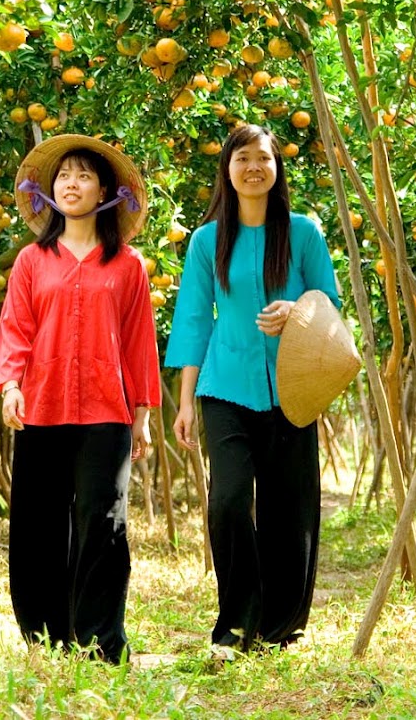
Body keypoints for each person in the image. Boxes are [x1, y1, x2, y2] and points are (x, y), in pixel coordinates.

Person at [166, 123, 341, 654]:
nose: (253, 168)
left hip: (295, 385)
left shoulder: (304, 232)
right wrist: (185, 402)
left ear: (277, 167)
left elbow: (329, 299)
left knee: (292, 510)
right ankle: (236, 622)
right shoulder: (206, 240)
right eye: (242, 159)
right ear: (227, 169)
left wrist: (297, 310)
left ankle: (281, 627)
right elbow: (194, 319)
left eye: (262, 158)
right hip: (226, 387)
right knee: (230, 500)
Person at [0, 134, 160, 664]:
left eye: (84, 175)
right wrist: (11, 385)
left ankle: (101, 642)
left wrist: (144, 415)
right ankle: (47, 635)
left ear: (105, 191)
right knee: (39, 521)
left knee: (103, 522)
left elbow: (137, 339)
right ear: (49, 191)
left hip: (108, 410)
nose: (71, 183)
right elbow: (16, 327)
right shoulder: (31, 261)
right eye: (63, 176)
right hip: (42, 405)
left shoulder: (127, 264)